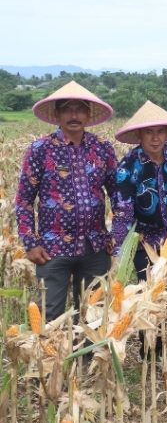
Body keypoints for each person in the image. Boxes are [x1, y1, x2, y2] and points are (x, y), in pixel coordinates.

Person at [16, 81, 117, 322]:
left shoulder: (102, 148)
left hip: (95, 246)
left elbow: (118, 195)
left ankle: (87, 350)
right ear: (57, 115)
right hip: (52, 248)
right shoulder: (40, 150)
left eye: (80, 109)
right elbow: (24, 201)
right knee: (50, 316)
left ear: (88, 115)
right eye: (67, 109)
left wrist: (117, 235)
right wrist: (30, 242)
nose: (74, 115)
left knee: (93, 317)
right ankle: (52, 350)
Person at [110, 101, 167, 356]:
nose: (155, 138)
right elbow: (123, 212)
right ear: (139, 135)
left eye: (160, 132)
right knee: (149, 298)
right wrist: (121, 252)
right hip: (147, 242)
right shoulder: (128, 166)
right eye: (149, 132)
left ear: (166, 133)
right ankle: (152, 351)